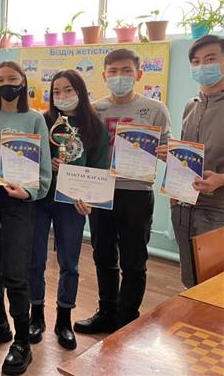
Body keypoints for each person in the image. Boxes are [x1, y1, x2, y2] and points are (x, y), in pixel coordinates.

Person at [75, 48, 171, 334]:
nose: (120, 76)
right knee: (103, 256)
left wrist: (166, 153)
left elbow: (167, 147)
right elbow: (84, 152)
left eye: (127, 71)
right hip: (101, 191)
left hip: (137, 192)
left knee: (134, 260)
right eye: (114, 72)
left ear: (139, 74)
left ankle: (127, 320)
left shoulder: (155, 109)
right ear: (104, 76)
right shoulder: (94, 109)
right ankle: (107, 313)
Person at [0, 61, 52, 376]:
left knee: (16, 272)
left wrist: (30, 191)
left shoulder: (35, 119)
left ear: (23, 82)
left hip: (19, 200)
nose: (6, 84)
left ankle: (22, 342)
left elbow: (43, 168)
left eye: (12, 78)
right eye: (0, 79)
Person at [28, 70, 109, 351]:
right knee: (35, 260)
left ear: (80, 92)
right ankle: (36, 315)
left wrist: (89, 199)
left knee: (70, 263)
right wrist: (45, 164)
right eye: (56, 91)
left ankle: (64, 319)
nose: (62, 96)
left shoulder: (95, 127)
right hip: (40, 199)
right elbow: (28, 156)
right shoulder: (42, 121)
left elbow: (100, 169)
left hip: (72, 204)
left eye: (68, 90)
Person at [172, 35, 224, 288]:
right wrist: (170, 157)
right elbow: (188, 155)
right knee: (190, 280)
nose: (202, 66)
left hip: (218, 210)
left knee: (214, 286)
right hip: (184, 206)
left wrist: (221, 179)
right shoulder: (190, 106)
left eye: (210, 59)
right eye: (196, 61)